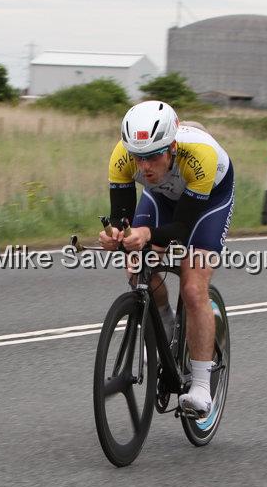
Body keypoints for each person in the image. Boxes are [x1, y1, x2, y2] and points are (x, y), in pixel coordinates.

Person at [98, 100, 235, 418]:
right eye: (138, 157)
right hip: (161, 196)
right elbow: (123, 221)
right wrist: (116, 236)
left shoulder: (200, 157)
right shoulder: (122, 157)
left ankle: (201, 387)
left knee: (192, 286)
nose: (145, 167)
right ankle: (163, 316)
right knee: (135, 266)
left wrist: (146, 235)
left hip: (208, 201)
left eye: (154, 156)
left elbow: (182, 228)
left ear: (172, 147)